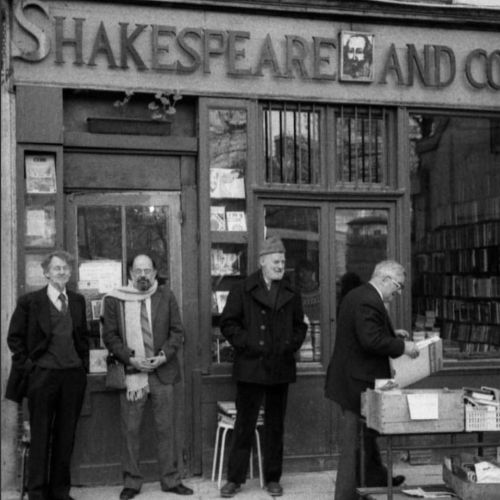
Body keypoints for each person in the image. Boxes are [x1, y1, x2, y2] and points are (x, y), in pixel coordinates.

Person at [219, 236, 307, 498]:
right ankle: (234, 479)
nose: (281, 265)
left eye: (283, 261)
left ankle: (272, 478)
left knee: (275, 426)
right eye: (276, 261)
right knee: (244, 425)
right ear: (262, 262)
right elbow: (228, 323)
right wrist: (248, 344)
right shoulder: (242, 289)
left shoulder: (291, 291)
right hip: (251, 366)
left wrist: (289, 344)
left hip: (280, 366)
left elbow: (300, 326)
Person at [324, 260, 420, 500]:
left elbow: (365, 333)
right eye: (398, 286)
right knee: (353, 443)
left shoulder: (361, 295)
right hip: (356, 382)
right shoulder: (368, 300)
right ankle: (345, 495)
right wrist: (402, 346)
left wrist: (391, 333)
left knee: (366, 436)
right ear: (384, 279)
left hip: (356, 378)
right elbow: (370, 341)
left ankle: (375, 480)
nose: (398, 293)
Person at [102, 254, 193, 499]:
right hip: (133, 374)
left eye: (147, 270)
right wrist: (130, 358)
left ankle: (171, 480)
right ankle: (132, 482)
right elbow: (110, 336)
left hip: (162, 372)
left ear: (154, 273)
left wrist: (164, 355)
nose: (143, 275)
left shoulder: (166, 296)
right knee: (130, 430)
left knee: (166, 429)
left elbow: (177, 331)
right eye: (138, 270)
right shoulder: (115, 300)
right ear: (130, 273)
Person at [6, 250, 89, 500]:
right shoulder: (30, 302)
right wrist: (31, 370)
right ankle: (38, 493)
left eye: (65, 268)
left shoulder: (77, 301)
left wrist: (82, 365)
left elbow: (82, 336)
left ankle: (60, 492)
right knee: (40, 436)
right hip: (42, 378)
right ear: (46, 272)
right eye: (56, 268)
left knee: (66, 437)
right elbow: (14, 339)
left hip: (72, 377)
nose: (62, 272)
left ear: (70, 273)